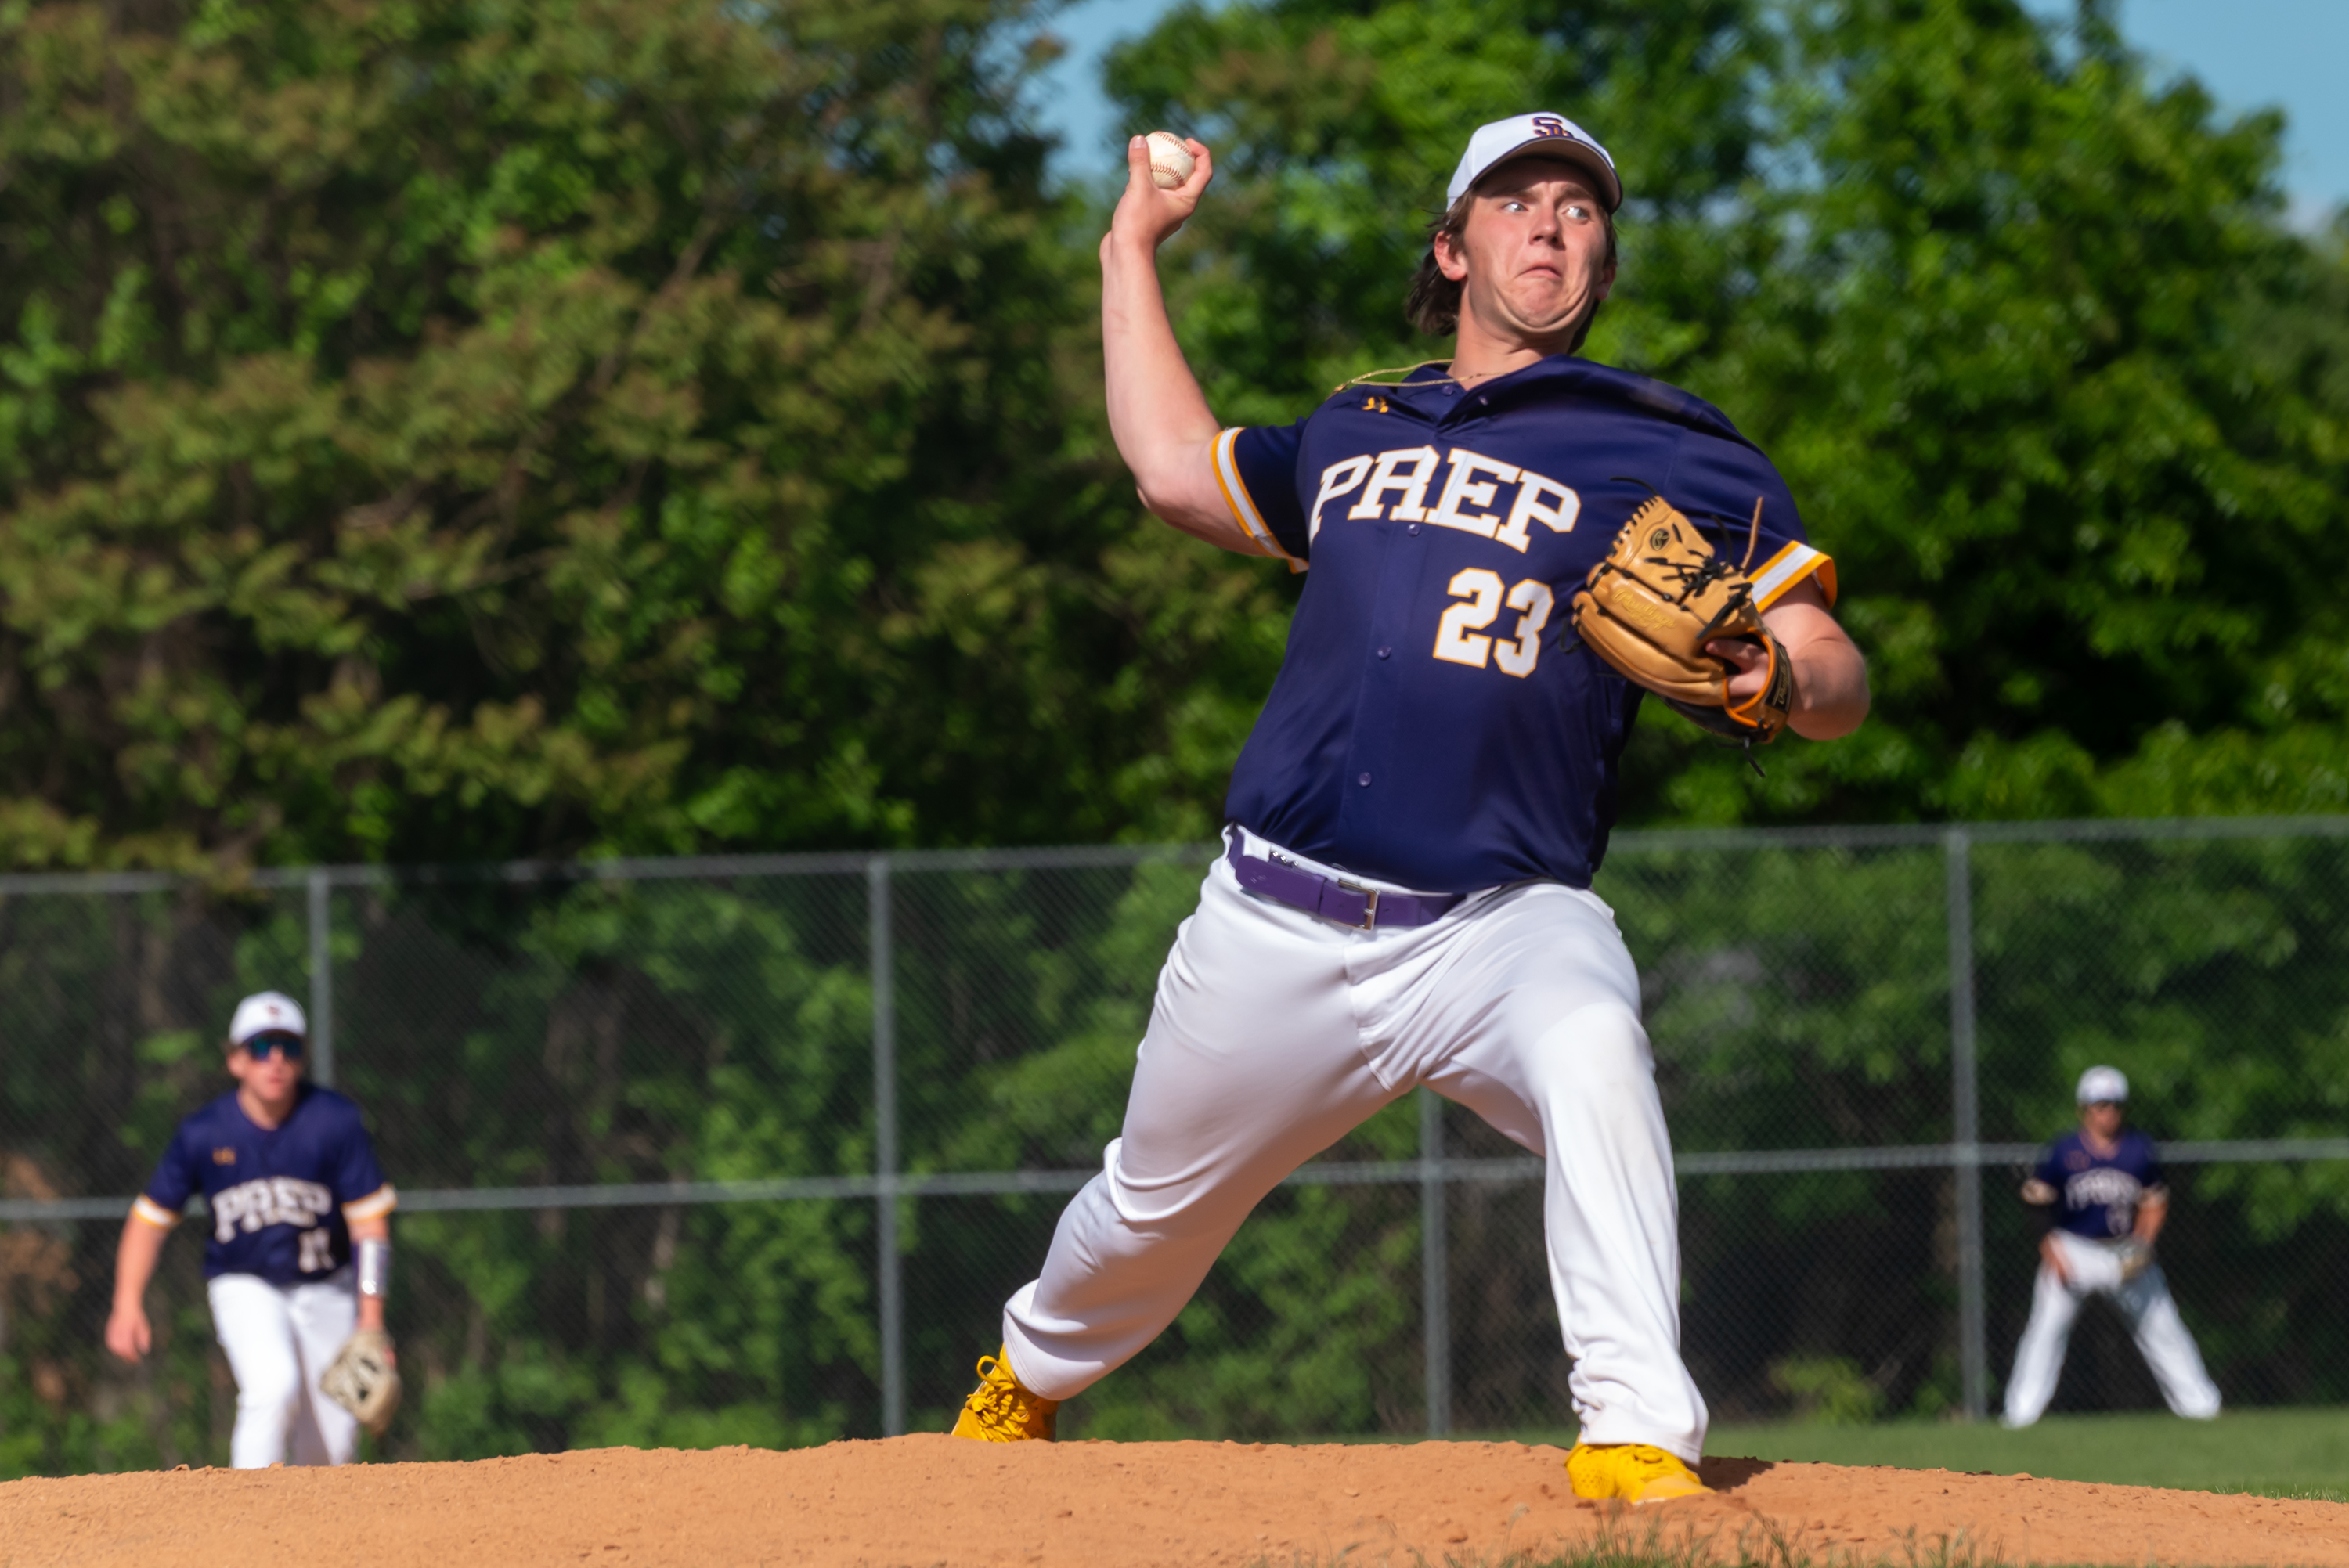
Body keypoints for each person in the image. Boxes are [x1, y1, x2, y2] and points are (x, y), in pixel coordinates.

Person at [947, 114, 1868, 1505]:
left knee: (1595, 1039)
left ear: (1603, 255)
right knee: (1143, 1215)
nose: (1553, 220)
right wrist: (1130, 245)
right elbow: (1168, 463)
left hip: (1501, 918)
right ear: (1453, 248)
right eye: (1516, 199)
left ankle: (1632, 1431)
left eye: (1579, 205)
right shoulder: (1355, 424)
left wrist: (1772, 667)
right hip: (1278, 915)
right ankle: (1031, 1366)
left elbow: (1839, 671)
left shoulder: (1673, 446)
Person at [104, 990, 400, 1467]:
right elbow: (149, 1220)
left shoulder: (334, 1122)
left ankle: (320, 1540)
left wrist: (371, 1322)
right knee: (272, 1387)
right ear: (236, 1060)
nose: (275, 1059)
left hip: (328, 1286)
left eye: (288, 1046)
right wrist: (126, 1303)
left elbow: (370, 1227)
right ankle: (242, 1525)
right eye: (261, 1047)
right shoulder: (205, 1133)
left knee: (333, 1438)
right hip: (245, 1283)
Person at [1999, 1065, 2220, 1429]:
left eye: (2115, 1104)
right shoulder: (2064, 1152)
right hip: (2074, 1248)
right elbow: (2036, 1205)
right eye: (2100, 1105)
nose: (2108, 1112)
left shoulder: (2138, 1150)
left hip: (2123, 1251)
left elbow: (2154, 1201)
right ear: (2083, 1110)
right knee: (2046, 1330)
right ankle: (2020, 1415)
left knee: (2163, 1328)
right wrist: (2052, 1253)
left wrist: (2144, 1245)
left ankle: (2202, 1409)